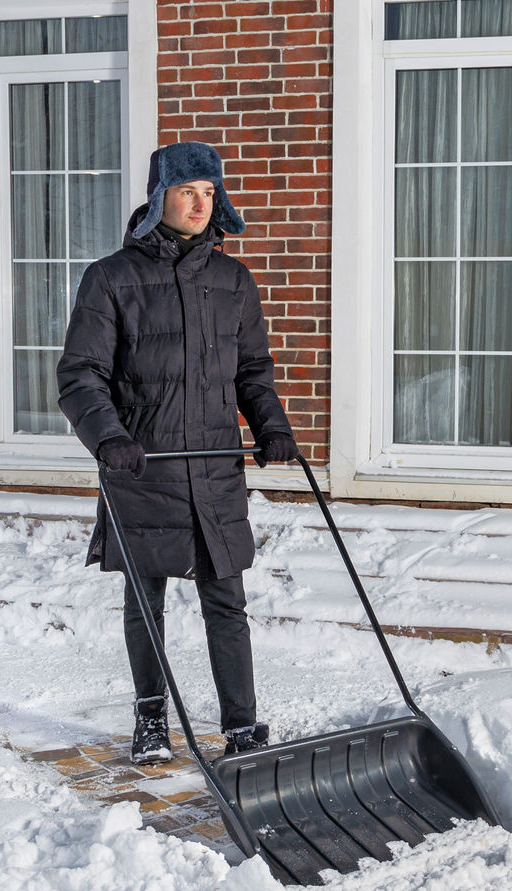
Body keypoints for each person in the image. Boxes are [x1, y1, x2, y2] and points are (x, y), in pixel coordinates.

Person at [57, 141, 297, 765]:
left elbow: (253, 370)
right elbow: (80, 375)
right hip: (144, 465)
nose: (199, 204)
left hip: (214, 466)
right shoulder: (111, 278)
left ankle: (241, 727)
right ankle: (150, 718)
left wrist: (271, 426)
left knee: (227, 601)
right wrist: (110, 437)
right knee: (146, 601)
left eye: (209, 192)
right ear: (159, 196)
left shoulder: (232, 281)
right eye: (187, 191)